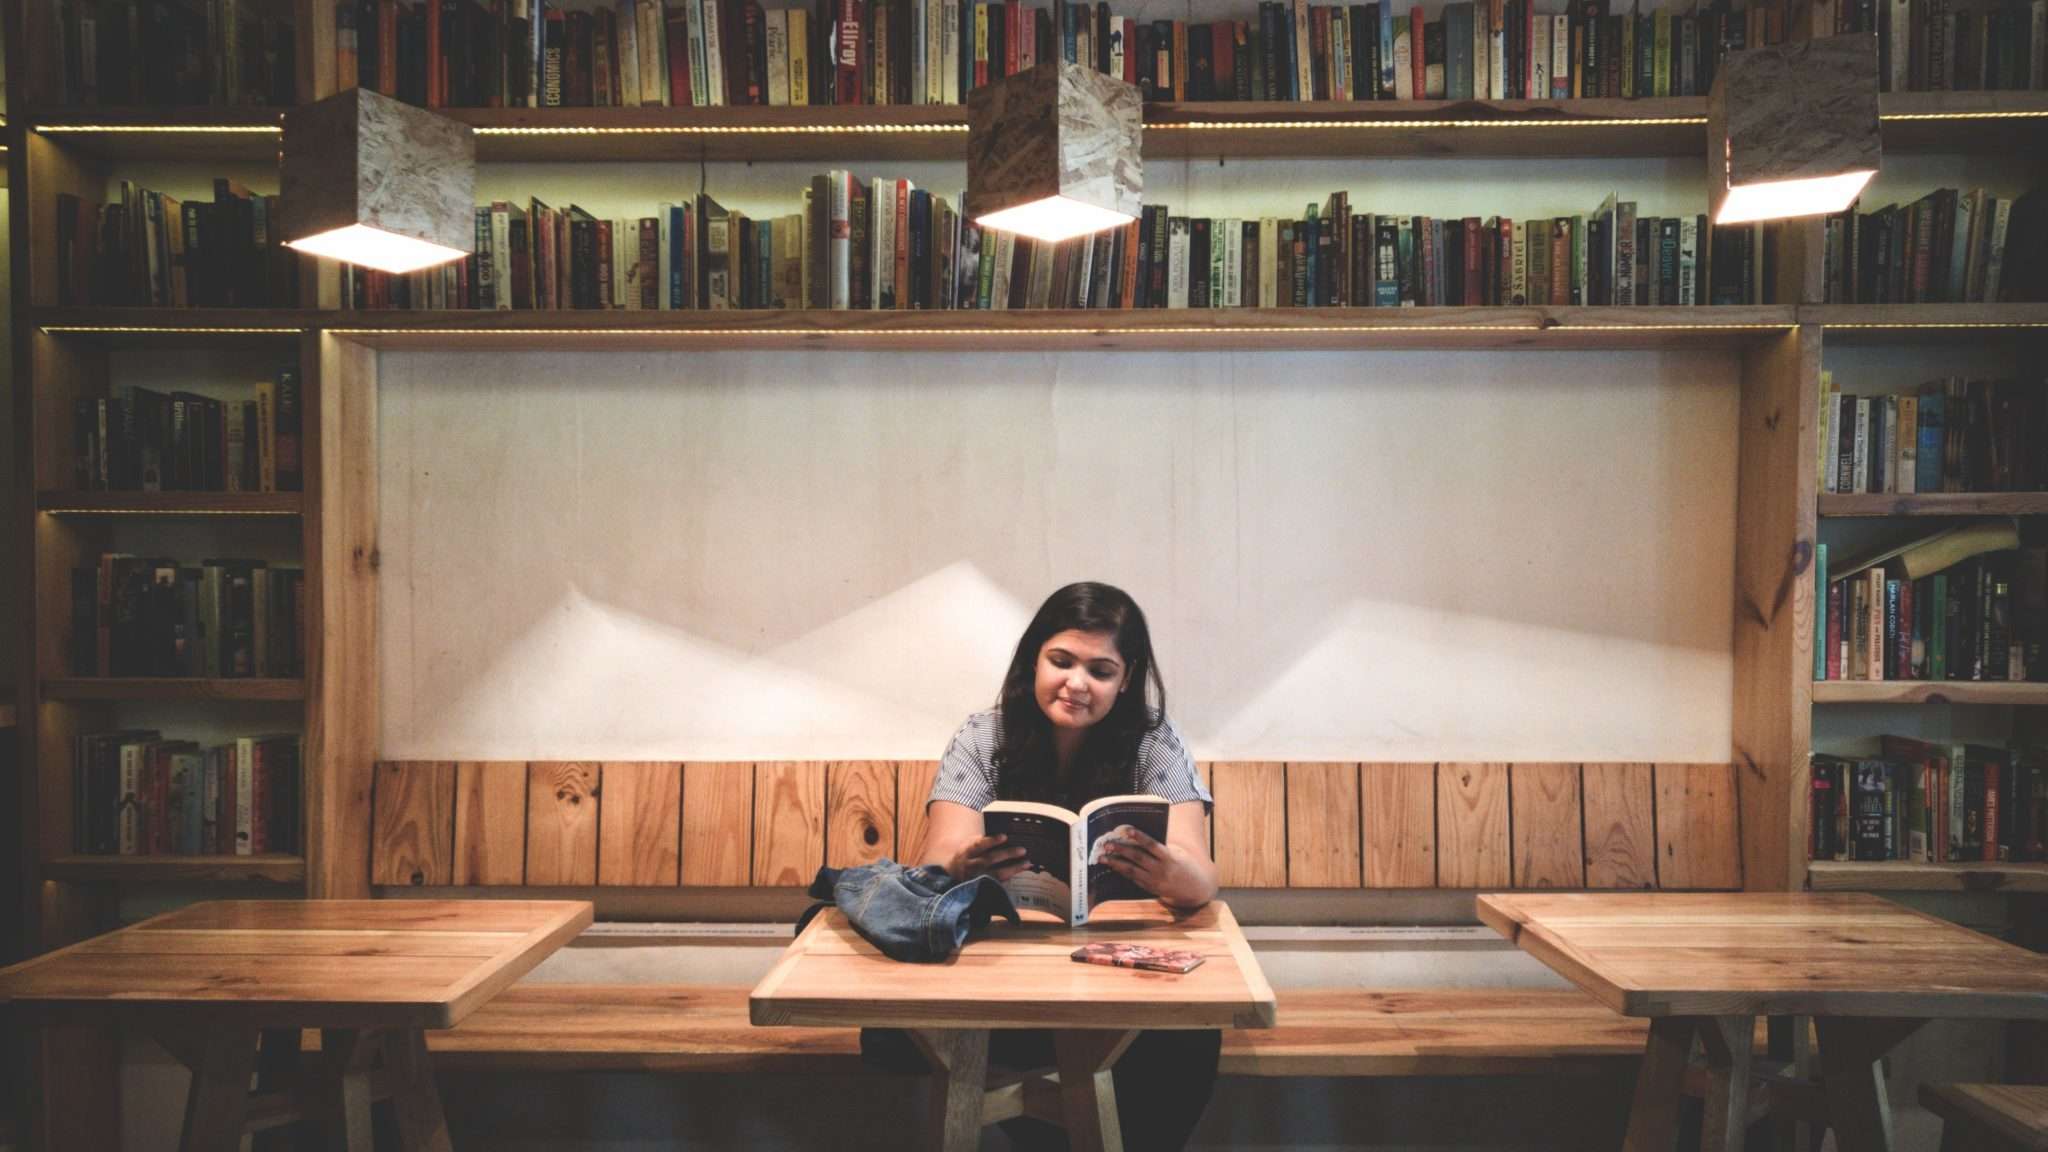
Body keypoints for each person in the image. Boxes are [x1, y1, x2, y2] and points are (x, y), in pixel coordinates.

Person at [871, 581, 1221, 1152]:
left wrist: (1169, 871)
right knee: (985, 1037)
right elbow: (936, 864)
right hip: (1004, 961)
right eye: (1061, 661)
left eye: (1100, 671)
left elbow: (1201, 878)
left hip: (1116, 970)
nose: (1076, 683)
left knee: (1188, 1033)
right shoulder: (983, 736)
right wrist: (966, 863)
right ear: (1034, 658)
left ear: (1125, 679)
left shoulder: (1154, 742)